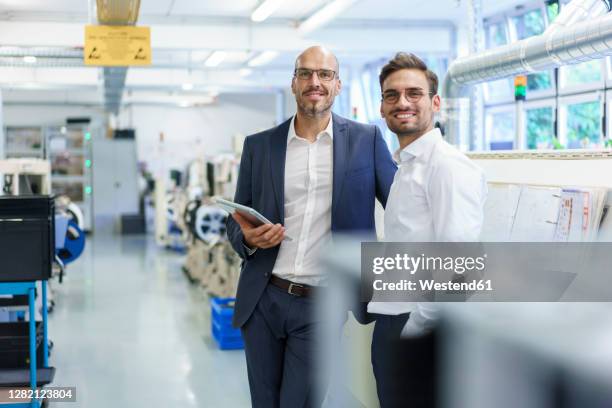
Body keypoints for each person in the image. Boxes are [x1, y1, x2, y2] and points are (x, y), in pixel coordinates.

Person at [226, 45, 397, 408]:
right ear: (293, 83)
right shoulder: (260, 146)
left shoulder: (365, 141)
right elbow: (236, 219)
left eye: (325, 74)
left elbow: (402, 207)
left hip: (321, 304)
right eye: (305, 73)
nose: (314, 82)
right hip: (263, 298)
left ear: (338, 85)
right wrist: (249, 239)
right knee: (264, 402)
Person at [368, 52, 487, 407]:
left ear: (435, 102)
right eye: (392, 95)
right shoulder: (406, 166)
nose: (402, 102)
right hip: (394, 318)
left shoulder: (447, 166)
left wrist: (415, 330)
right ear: (382, 107)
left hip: (418, 324)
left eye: (414, 93)